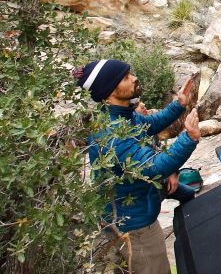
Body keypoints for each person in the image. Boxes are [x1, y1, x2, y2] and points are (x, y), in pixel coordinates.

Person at [74, 59, 201, 274]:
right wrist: (188, 138)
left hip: (130, 219)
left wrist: (178, 104)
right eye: (125, 78)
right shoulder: (112, 134)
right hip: (136, 229)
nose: (133, 78)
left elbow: (149, 125)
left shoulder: (121, 117)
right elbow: (152, 167)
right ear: (109, 91)